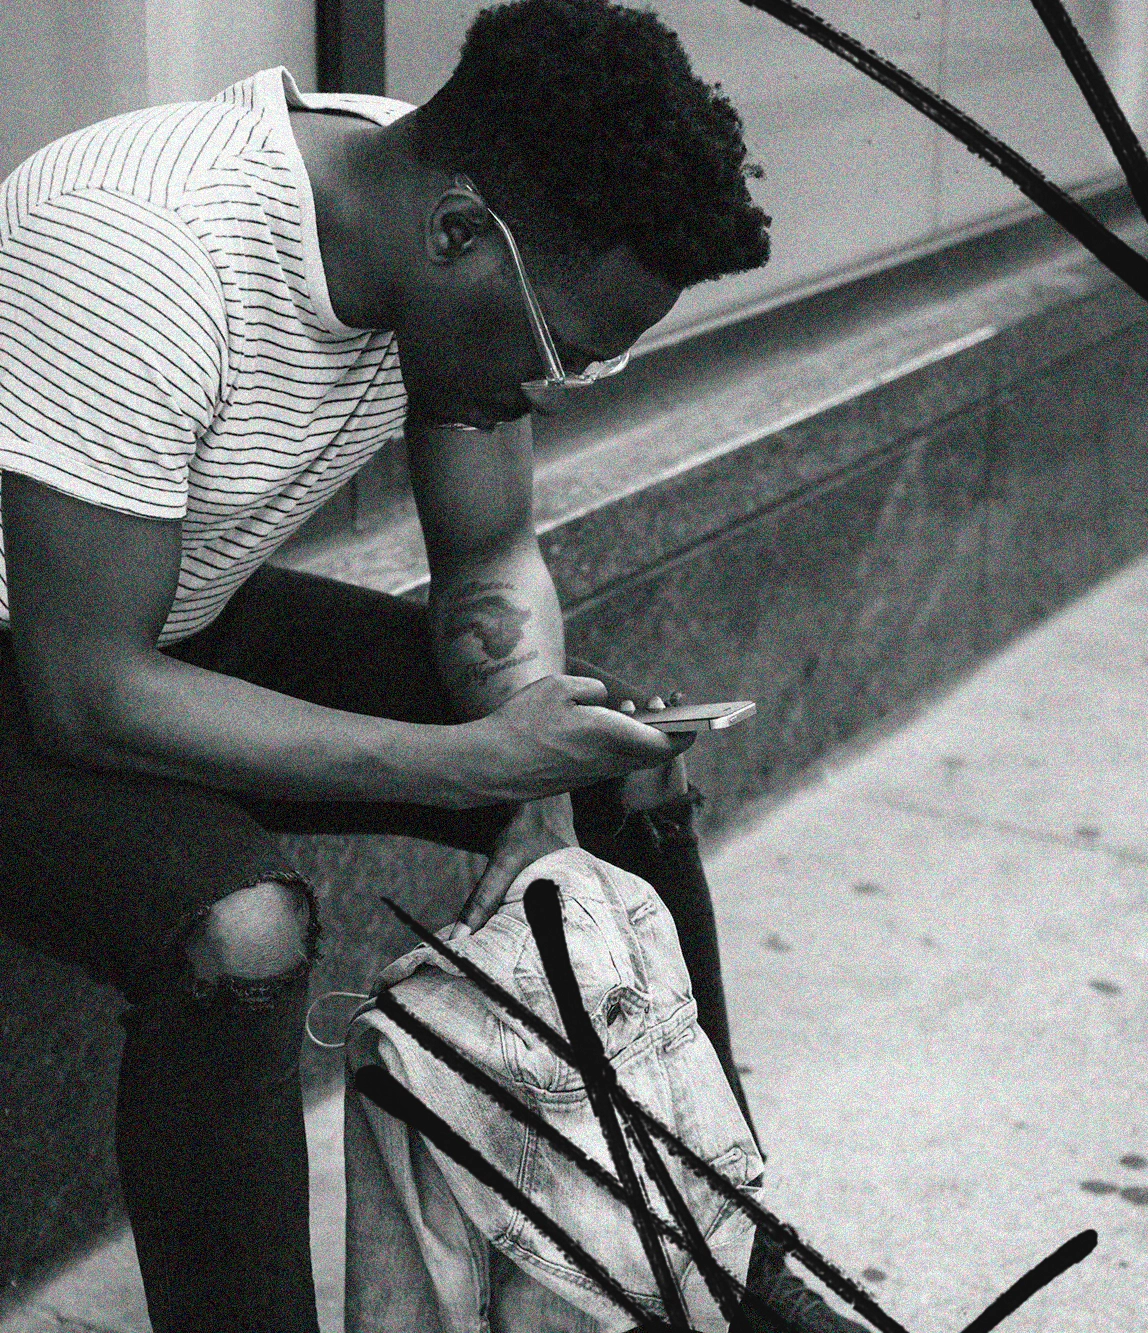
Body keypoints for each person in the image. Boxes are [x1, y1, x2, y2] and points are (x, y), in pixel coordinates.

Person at [0, 0, 863, 1328]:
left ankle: (708, 1259)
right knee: (242, 930)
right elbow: (85, 693)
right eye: (569, 345)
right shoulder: (137, 246)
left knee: (619, 758)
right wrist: (469, 762)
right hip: (54, 653)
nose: (566, 383)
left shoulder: (436, 222)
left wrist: (530, 768)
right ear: (461, 234)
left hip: (169, 607)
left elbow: (492, 558)